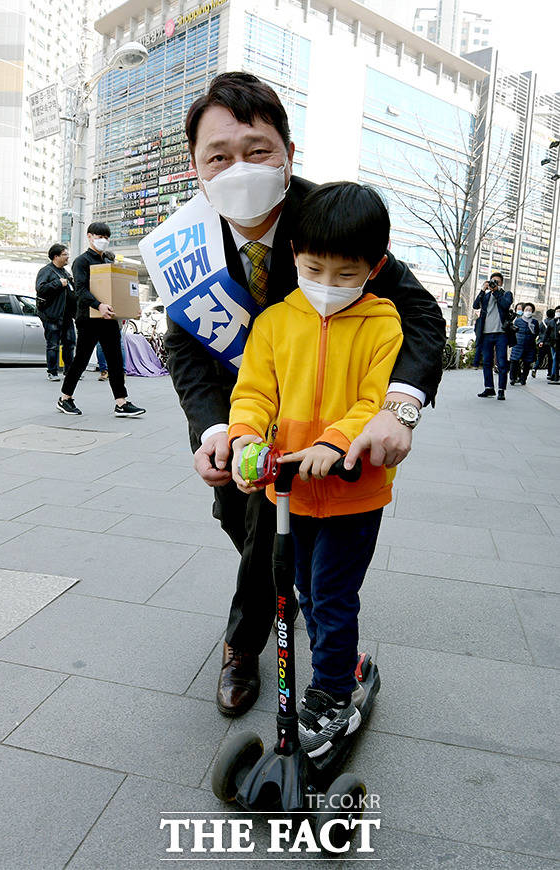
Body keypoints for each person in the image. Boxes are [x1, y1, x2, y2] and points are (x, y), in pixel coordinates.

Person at [164, 72, 445, 717]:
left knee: (286, 549)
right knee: (248, 526)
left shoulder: (332, 218)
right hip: (249, 421)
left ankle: (249, 645)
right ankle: (294, 622)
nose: (239, 167)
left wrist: (399, 407)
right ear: (196, 167)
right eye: (219, 155)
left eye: (257, 149)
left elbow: (421, 315)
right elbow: (185, 345)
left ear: (289, 151)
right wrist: (214, 431)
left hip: (332, 431)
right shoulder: (183, 245)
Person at [228, 182, 403, 754]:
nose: (327, 286)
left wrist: (335, 441)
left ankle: (332, 692)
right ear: (296, 255)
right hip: (291, 493)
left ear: (374, 268)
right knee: (301, 587)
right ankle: (343, 660)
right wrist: (247, 438)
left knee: (330, 594)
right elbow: (254, 391)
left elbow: (373, 401)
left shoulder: (384, 324)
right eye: (313, 268)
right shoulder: (276, 321)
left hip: (355, 491)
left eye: (346, 274)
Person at [57, 222, 145, 418]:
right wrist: (99, 305)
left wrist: (129, 309)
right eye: (99, 236)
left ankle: (121, 403)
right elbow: (80, 290)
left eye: (106, 237)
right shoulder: (81, 261)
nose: (103, 240)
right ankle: (65, 398)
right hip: (89, 318)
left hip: (108, 318)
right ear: (89, 236)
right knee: (81, 360)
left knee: (115, 360)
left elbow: (116, 290)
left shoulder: (108, 261)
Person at [35, 244, 76, 381]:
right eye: (65, 254)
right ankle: (52, 372)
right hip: (52, 315)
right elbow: (40, 289)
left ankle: (69, 371)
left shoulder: (65, 272)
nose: (67, 257)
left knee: (70, 343)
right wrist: (58, 283)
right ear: (56, 256)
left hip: (67, 316)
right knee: (53, 345)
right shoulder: (46, 271)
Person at [473, 272, 513, 400]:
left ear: (501, 283)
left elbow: (505, 305)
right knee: (486, 362)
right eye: (492, 281)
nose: (494, 283)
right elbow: (475, 305)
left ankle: (501, 390)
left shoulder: (506, 294)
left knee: (501, 362)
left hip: (501, 333)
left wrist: (496, 292)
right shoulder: (486, 296)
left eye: (497, 281)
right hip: (486, 333)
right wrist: (482, 290)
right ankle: (489, 388)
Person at [509, 303, 538, 385]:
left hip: (529, 346)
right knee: (514, 361)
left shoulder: (534, 322)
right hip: (517, 344)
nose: (528, 312)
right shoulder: (518, 321)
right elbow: (513, 331)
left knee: (527, 363)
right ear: (523, 310)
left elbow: (536, 332)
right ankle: (513, 378)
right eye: (526, 310)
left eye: (530, 310)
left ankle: (523, 378)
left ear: (532, 311)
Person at [533, 309, 556, 380]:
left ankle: (535, 368)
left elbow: (538, 331)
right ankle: (549, 373)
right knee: (551, 359)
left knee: (540, 358)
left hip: (542, 343)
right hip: (550, 343)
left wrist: (540, 340)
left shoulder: (543, 322)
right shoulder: (554, 322)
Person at [543, 306, 560, 384]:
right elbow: (547, 333)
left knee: (555, 358)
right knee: (555, 359)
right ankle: (554, 375)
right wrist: (542, 341)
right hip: (552, 343)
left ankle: (554, 376)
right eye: (557, 311)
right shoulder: (552, 322)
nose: (558, 313)